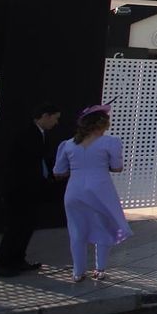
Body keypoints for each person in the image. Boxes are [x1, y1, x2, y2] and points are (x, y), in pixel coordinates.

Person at [52, 104, 131, 283]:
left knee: (77, 231)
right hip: (101, 190)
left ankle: (78, 272)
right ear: (102, 124)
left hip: (74, 191)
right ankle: (100, 269)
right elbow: (117, 167)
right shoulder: (111, 142)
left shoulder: (68, 144)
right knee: (104, 227)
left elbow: (58, 172)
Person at [0, 101, 62, 277]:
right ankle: (3, 261)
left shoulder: (41, 134)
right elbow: (23, 163)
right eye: (55, 118)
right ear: (45, 116)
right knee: (16, 226)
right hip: (20, 189)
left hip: (32, 189)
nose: (56, 122)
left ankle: (17, 259)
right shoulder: (28, 134)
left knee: (26, 226)